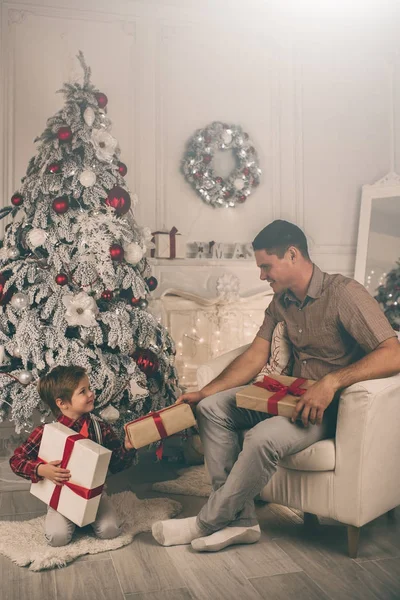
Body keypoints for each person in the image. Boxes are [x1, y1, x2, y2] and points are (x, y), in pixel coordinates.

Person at [152, 219, 400, 552]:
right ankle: (241, 522)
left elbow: (393, 352)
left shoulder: (344, 293)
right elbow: (256, 353)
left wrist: (332, 381)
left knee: (261, 438)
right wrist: (205, 392)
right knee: (211, 409)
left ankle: (206, 523)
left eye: (266, 266)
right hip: (285, 396)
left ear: (293, 255)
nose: (261, 275)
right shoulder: (281, 301)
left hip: (326, 410)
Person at [10, 365, 136, 547]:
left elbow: (116, 464)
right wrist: (40, 469)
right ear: (62, 403)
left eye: (89, 388)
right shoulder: (46, 432)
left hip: (95, 496)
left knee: (110, 531)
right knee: (57, 538)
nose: (91, 394)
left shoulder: (100, 428)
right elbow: (16, 461)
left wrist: (126, 447)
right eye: (83, 391)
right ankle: (69, 520)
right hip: (61, 499)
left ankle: (86, 520)